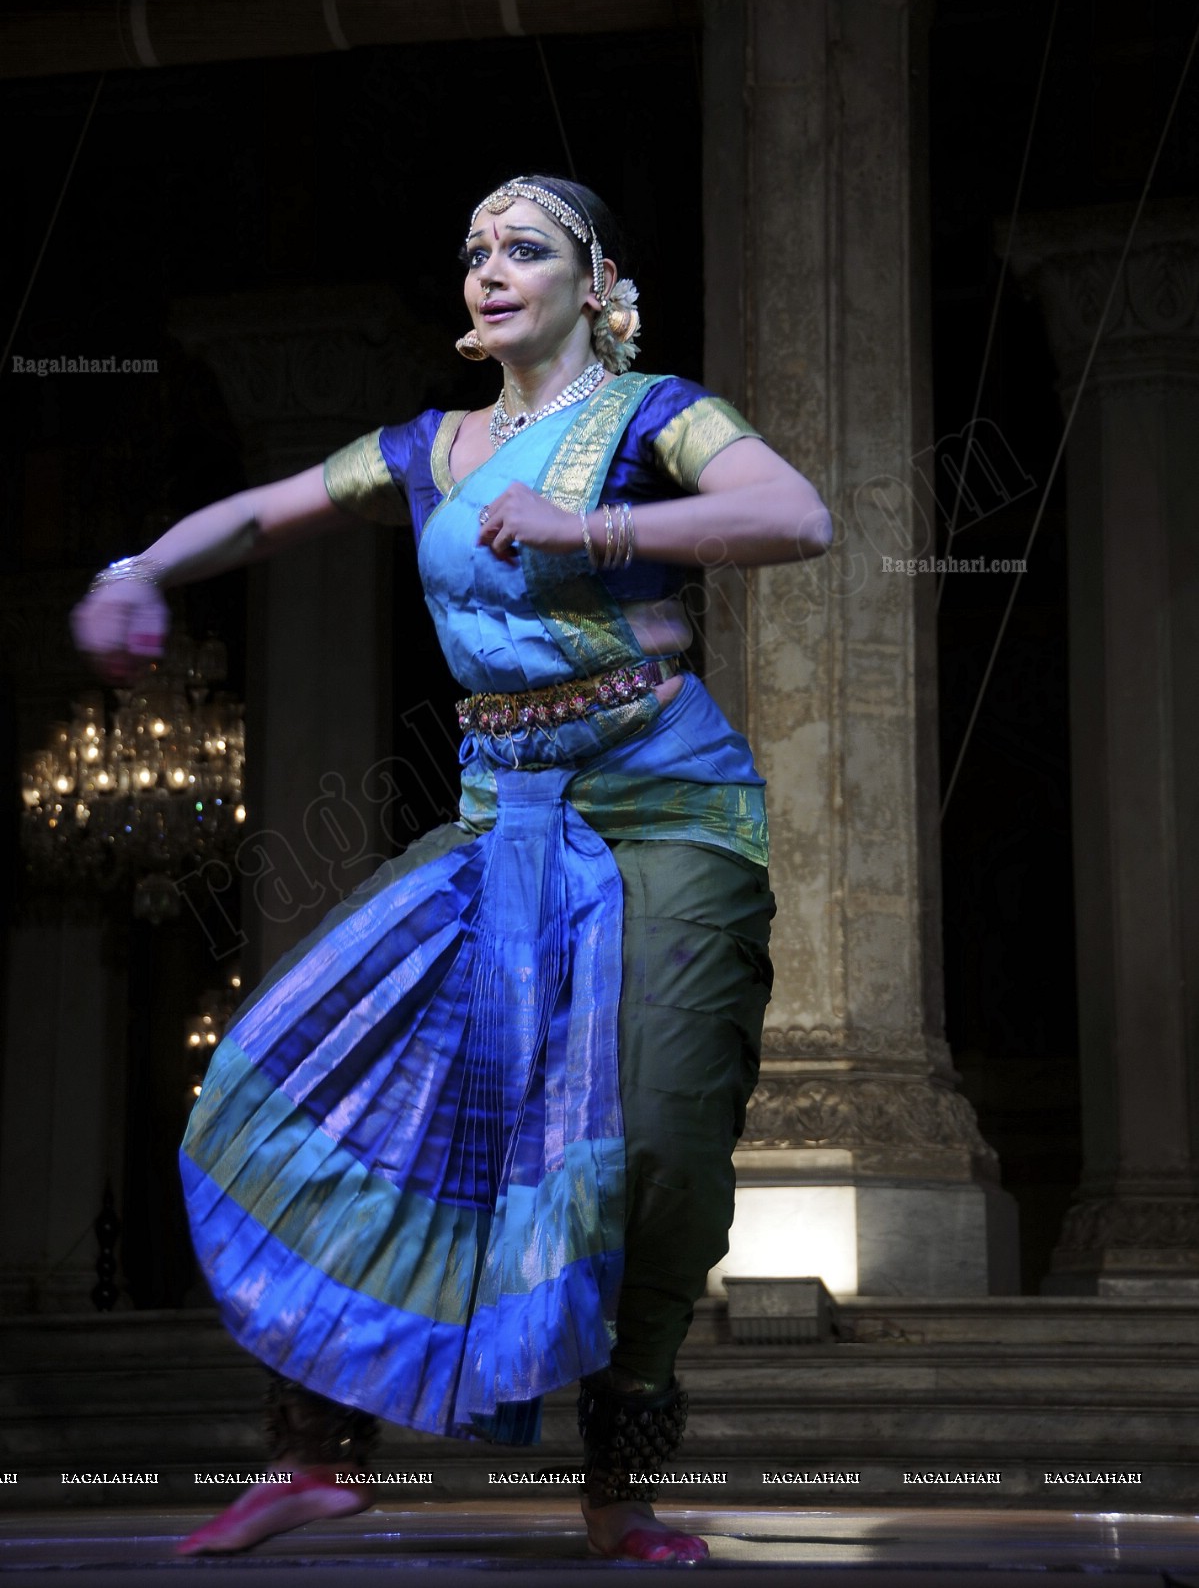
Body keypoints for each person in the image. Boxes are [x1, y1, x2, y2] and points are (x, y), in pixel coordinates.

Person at [71, 175, 832, 1564]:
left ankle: (620, 1484)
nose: (490, 270)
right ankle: (316, 1448)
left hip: (667, 811)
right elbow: (261, 510)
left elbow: (796, 515)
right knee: (293, 1072)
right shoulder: (431, 446)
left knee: (657, 1144)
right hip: (505, 816)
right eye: (476, 251)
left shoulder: (660, 416)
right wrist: (138, 568)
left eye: (525, 248)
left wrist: (592, 528)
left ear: (598, 283)